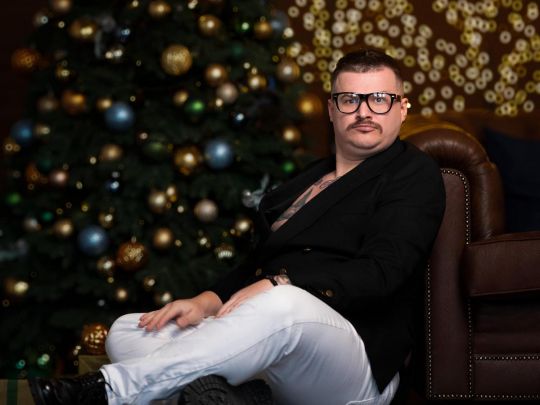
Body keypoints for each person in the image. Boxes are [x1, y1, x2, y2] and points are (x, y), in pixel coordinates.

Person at [29, 48, 445, 405]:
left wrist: (281, 282)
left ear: (402, 108)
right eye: (350, 99)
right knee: (130, 330)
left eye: (380, 99)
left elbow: (382, 272)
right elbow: (256, 263)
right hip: (274, 347)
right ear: (331, 109)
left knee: (285, 304)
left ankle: (108, 390)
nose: (364, 112)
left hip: (353, 361)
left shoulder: (413, 173)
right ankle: (239, 395)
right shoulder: (307, 180)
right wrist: (207, 301)